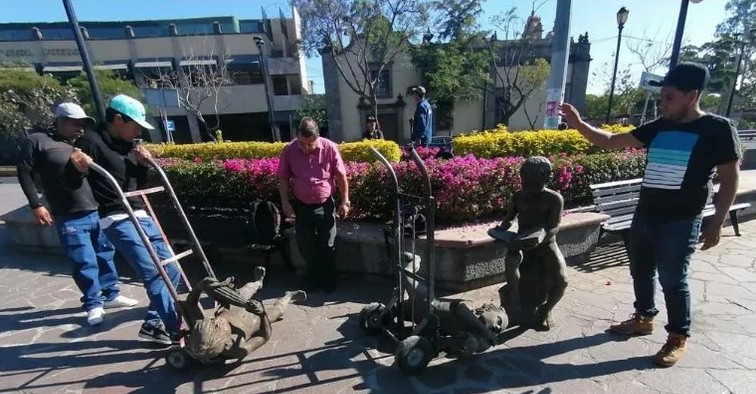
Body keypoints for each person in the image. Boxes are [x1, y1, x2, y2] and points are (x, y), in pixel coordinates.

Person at [559, 63, 741, 368]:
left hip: (681, 220)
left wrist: (717, 221)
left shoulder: (717, 129)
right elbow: (609, 141)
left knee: (673, 279)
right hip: (645, 214)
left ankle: (677, 337)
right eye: (662, 97)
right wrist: (578, 123)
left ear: (692, 95)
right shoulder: (660, 125)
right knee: (641, 271)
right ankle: (643, 318)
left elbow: (731, 177)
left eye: (669, 97)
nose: (663, 102)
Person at [65, 94, 182, 346]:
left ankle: (154, 323)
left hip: (140, 212)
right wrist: (76, 167)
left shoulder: (128, 145)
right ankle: (175, 330)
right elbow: (71, 184)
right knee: (154, 271)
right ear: (118, 119)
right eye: (136, 125)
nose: (139, 130)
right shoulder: (90, 142)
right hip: (116, 218)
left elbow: (135, 186)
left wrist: (141, 165)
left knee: (171, 267)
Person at [16, 102, 138, 326]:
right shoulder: (37, 141)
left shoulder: (81, 144)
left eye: (83, 124)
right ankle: (93, 304)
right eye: (75, 123)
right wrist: (36, 204)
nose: (80, 128)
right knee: (84, 259)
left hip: (96, 208)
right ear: (60, 120)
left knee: (104, 253)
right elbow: (24, 172)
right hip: (69, 212)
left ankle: (111, 294)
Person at [277, 117, 350, 293]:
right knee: (306, 246)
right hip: (301, 206)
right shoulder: (289, 150)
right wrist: (285, 203)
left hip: (325, 205)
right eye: (302, 143)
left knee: (327, 245)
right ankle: (313, 280)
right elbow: (283, 179)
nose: (306, 148)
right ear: (297, 136)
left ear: (318, 137)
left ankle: (329, 281)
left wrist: (345, 200)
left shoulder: (330, 148)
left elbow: (341, 177)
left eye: (310, 144)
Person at [181, 266, 306, 363]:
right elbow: (264, 337)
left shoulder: (200, 330)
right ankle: (289, 295)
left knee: (248, 288)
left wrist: (199, 286)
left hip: (235, 305)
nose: (216, 320)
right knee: (278, 310)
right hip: (255, 319)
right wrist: (262, 315)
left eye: (212, 321)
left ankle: (258, 282)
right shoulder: (236, 350)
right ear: (223, 340)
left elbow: (190, 304)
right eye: (217, 325)